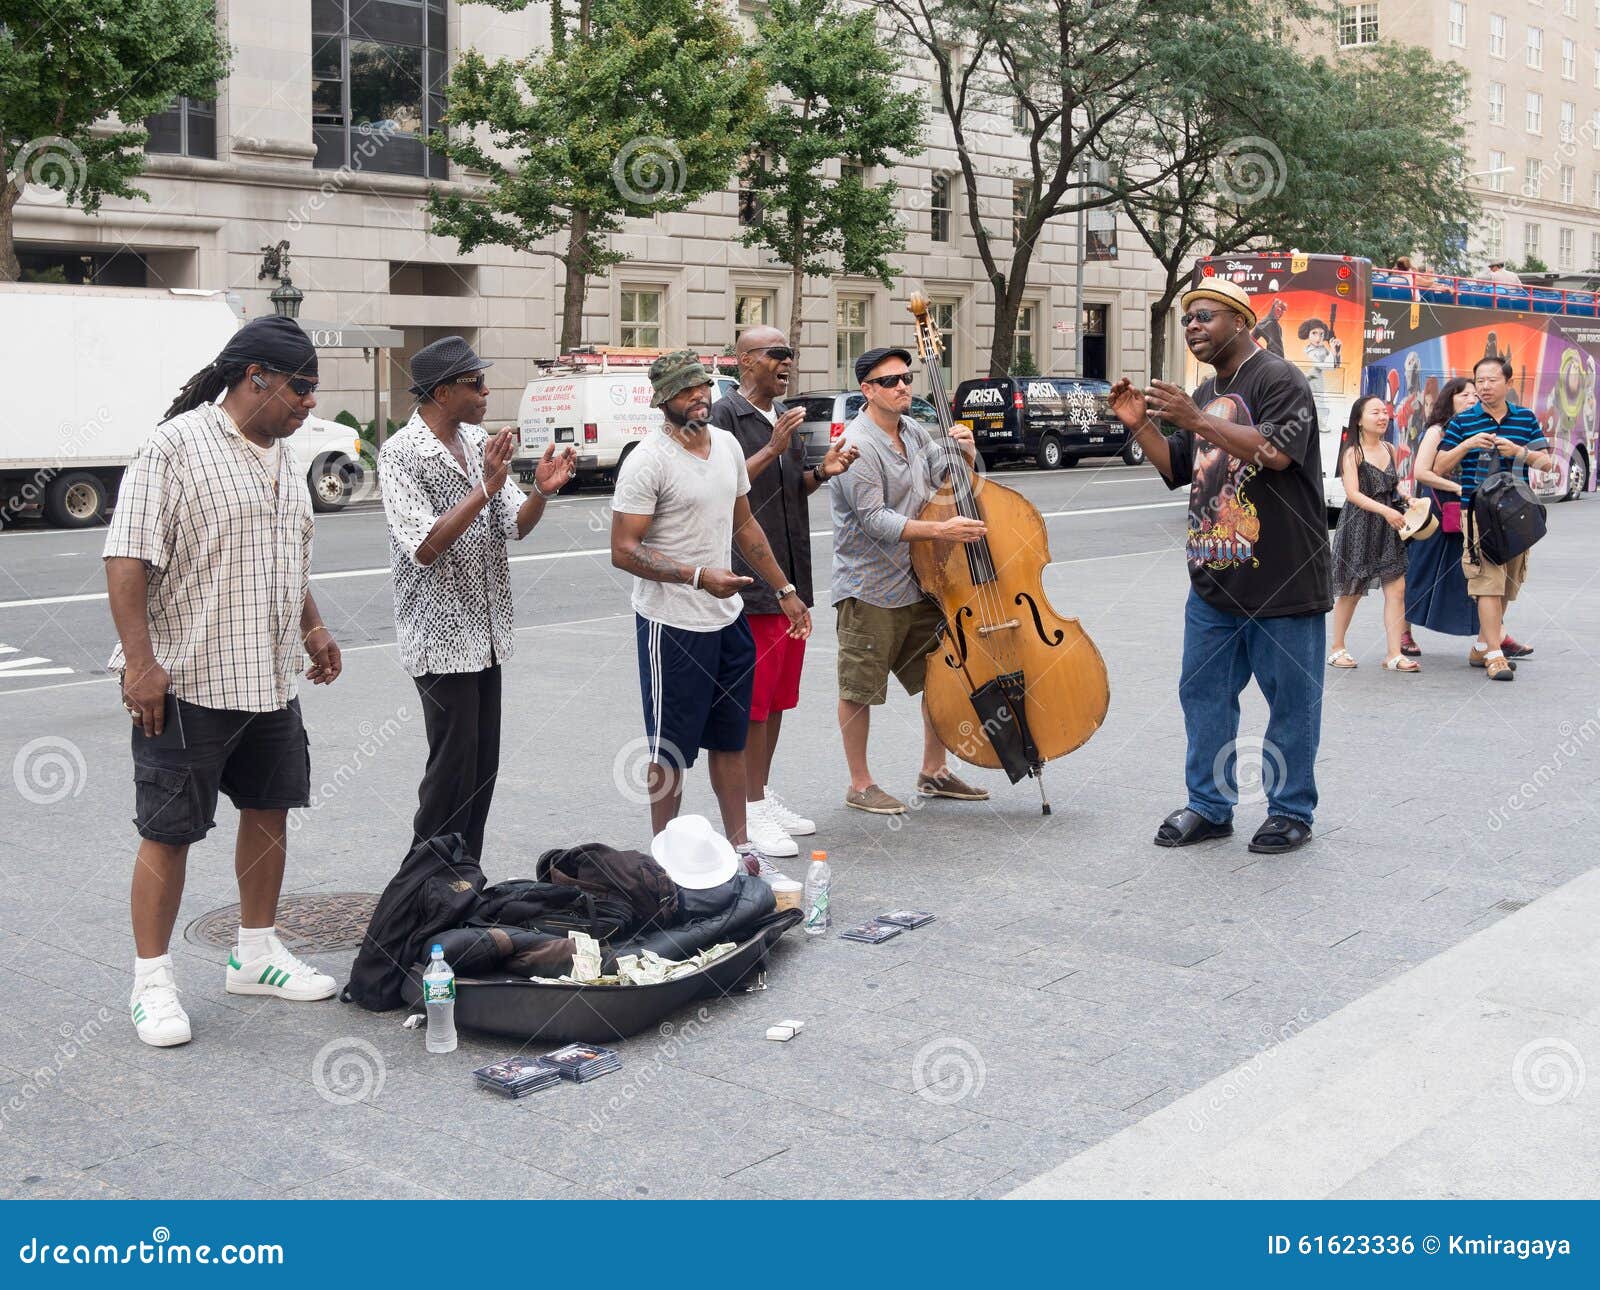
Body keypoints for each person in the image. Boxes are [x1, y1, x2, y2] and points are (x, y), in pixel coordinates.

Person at [104, 316, 344, 1048]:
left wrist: (313, 626)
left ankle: (256, 951)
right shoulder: (172, 448)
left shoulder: (283, 455)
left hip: (269, 678)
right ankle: (151, 981)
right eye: (301, 388)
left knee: (270, 810)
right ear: (256, 379)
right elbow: (125, 560)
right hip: (189, 681)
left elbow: (284, 552)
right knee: (169, 832)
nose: (310, 404)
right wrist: (141, 664)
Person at [1108, 277, 1330, 855]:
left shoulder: (1281, 379)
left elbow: (1275, 453)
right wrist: (1141, 424)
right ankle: (1209, 806)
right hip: (1213, 581)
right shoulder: (1205, 391)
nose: (1193, 327)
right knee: (1202, 695)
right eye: (1187, 320)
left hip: (1282, 578)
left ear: (1240, 320)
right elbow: (1179, 467)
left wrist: (1197, 418)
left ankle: (1290, 811)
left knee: (1291, 702)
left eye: (1205, 317)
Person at [380, 336, 577, 864]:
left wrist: (540, 491)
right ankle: (423, 885)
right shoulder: (401, 453)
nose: (487, 391)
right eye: (476, 383)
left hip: (486, 636)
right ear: (443, 391)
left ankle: (465, 877)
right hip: (440, 638)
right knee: (449, 771)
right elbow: (425, 547)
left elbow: (514, 524)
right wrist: (486, 487)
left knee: (480, 771)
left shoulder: (475, 441)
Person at [610, 350, 810, 856]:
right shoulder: (647, 460)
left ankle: (741, 849)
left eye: (702, 386)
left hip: (728, 619)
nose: (698, 396)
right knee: (669, 748)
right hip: (671, 623)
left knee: (730, 739)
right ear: (663, 401)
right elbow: (623, 550)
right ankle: (663, 856)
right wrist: (697, 576)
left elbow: (744, 524)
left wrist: (785, 591)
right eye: (685, 390)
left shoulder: (724, 445)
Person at [707, 326, 858, 858]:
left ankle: (761, 795)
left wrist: (822, 472)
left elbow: (789, 488)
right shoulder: (725, 416)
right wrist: (772, 448)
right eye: (776, 353)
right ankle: (745, 808)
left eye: (791, 353)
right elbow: (723, 489)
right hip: (752, 581)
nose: (787, 360)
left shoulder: (782, 417)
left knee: (776, 700)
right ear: (745, 361)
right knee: (750, 701)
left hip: (791, 575)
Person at [830, 346, 991, 815]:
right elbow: (873, 519)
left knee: (942, 675)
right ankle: (860, 783)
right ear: (867, 390)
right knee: (860, 689)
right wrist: (940, 530)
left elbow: (949, 476)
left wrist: (966, 451)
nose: (902, 386)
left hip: (922, 580)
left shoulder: (914, 430)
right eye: (890, 381)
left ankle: (933, 771)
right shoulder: (856, 444)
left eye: (906, 377)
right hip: (869, 586)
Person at [1435, 356, 1555, 682]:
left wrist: (1518, 452)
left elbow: (1547, 463)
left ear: (1508, 384)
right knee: (1487, 580)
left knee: (1508, 584)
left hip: (1518, 511)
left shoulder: (1525, 418)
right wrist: (1468, 444)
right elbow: (1439, 466)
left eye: (1491, 380)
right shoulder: (1463, 422)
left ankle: (1481, 645)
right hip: (1476, 511)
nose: (1485, 387)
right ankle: (1495, 654)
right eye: (1480, 382)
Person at [1326, 396, 1415, 673]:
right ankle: (1336, 648)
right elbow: (1353, 494)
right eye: (1375, 412)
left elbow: (1394, 483)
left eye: (1385, 412)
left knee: (1397, 589)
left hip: (1388, 529)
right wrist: (1386, 512)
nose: (1383, 417)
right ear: (1359, 420)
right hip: (1359, 526)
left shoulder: (1388, 447)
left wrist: (1404, 495)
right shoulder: (1353, 453)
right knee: (1352, 591)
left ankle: (1393, 654)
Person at [1403, 378, 1481, 651]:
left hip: (1465, 508)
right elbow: (1422, 472)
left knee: (1472, 570)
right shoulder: (1438, 430)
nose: (1472, 399)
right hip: (1434, 509)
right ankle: (1404, 631)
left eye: (1475, 395)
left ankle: (1493, 634)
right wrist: (1458, 487)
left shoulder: (1475, 428)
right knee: (1421, 568)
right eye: (1465, 395)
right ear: (1450, 399)